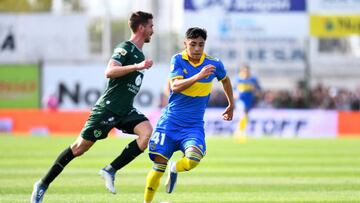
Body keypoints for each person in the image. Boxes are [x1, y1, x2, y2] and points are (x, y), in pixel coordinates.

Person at [31, 11, 154, 203]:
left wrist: (138, 65)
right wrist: (136, 66)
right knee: (79, 147)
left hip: (125, 109)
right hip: (108, 109)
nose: (152, 31)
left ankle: (110, 170)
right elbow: (109, 71)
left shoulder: (139, 54)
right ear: (141, 28)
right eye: (150, 27)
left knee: (146, 133)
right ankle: (42, 184)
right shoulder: (125, 48)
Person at [143, 27, 234, 203]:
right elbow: (175, 86)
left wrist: (231, 103)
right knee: (158, 165)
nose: (197, 48)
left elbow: (226, 80)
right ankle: (147, 202)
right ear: (185, 44)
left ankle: (175, 168)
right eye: (193, 44)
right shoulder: (177, 60)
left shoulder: (214, 64)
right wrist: (198, 76)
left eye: (201, 44)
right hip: (170, 123)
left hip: (193, 126)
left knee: (193, 159)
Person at [233, 65, 261, 142]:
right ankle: (241, 132)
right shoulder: (237, 79)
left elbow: (258, 88)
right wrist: (234, 94)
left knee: (245, 116)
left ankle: (239, 130)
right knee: (243, 114)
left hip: (249, 100)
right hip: (240, 100)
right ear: (241, 71)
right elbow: (232, 89)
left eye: (247, 71)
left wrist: (257, 92)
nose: (245, 72)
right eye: (244, 70)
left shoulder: (253, 80)